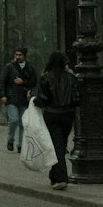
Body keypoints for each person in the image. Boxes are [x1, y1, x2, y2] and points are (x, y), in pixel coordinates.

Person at [33, 51, 79, 190]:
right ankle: (54, 176)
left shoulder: (46, 78)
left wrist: (35, 100)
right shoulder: (71, 78)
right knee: (60, 143)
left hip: (52, 115)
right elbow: (76, 98)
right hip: (67, 115)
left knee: (56, 146)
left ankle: (61, 177)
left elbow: (43, 99)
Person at [0, 47, 37, 153]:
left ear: (24, 56)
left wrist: (23, 82)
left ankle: (21, 145)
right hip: (12, 98)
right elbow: (2, 81)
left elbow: (34, 81)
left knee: (23, 123)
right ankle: (10, 139)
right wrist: (2, 95)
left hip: (24, 99)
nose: (18, 57)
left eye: (20, 55)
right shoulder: (9, 67)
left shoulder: (29, 68)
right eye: (16, 55)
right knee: (14, 120)